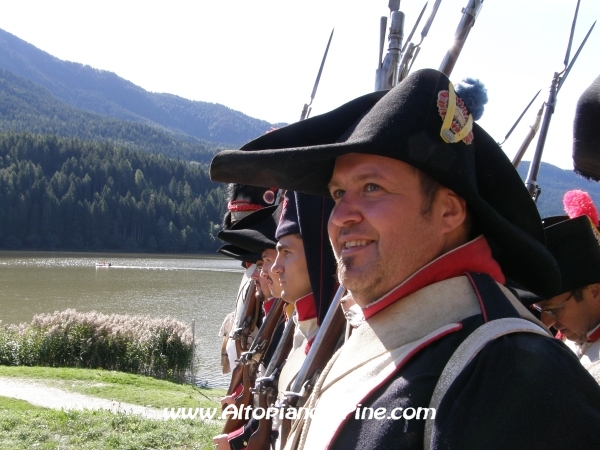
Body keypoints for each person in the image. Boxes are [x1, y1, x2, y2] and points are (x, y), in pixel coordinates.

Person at [211, 68, 600, 449]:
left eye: (372, 187)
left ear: (449, 211)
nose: (341, 215)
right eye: (337, 194)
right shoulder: (405, 328)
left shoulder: (510, 371)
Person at [534, 190, 600, 376]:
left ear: (594, 291)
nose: (546, 322)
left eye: (554, 310)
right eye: (542, 310)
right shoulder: (574, 333)